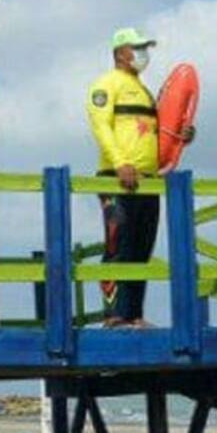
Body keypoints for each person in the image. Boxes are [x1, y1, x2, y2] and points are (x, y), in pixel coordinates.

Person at [86, 27, 193, 328]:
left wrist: (183, 135)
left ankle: (134, 314)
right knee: (118, 245)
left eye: (145, 48)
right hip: (115, 177)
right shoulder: (107, 84)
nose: (143, 54)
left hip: (148, 180)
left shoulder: (145, 91)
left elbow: (160, 132)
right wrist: (120, 163)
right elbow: (100, 124)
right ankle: (114, 316)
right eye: (138, 48)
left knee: (141, 248)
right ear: (121, 52)